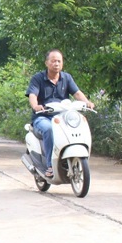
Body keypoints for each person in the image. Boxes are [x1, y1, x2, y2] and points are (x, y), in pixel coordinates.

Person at [27, 49, 94, 178]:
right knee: (49, 130)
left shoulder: (66, 77)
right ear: (47, 63)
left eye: (59, 61)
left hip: (63, 117)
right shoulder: (38, 78)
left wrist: (87, 102)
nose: (56, 63)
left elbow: (77, 93)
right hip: (43, 117)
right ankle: (50, 166)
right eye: (53, 61)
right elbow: (32, 95)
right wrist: (36, 106)